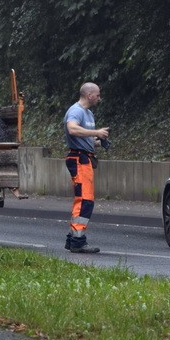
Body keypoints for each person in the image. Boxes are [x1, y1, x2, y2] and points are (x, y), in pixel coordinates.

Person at [63, 82, 109, 253]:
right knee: (85, 201)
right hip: (79, 159)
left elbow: (84, 137)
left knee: (84, 200)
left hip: (85, 158)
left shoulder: (88, 114)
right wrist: (96, 132)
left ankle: (72, 239)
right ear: (89, 95)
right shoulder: (76, 111)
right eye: (97, 95)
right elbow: (72, 129)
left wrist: (98, 142)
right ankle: (78, 241)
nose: (99, 98)